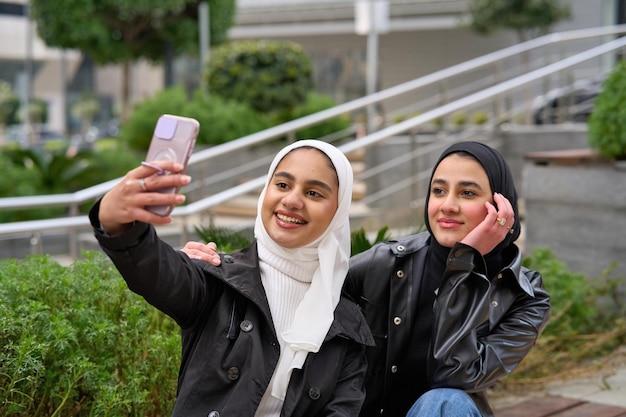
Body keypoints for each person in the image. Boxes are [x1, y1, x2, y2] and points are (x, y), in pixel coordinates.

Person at [182, 141, 551, 417]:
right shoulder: (388, 263)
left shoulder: (525, 296)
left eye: (467, 193)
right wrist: (222, 265)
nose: (447, 205)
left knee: (445, 402)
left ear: (501, 206)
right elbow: (300, 277)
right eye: (438, 191)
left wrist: (464, 266)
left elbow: (457, 374)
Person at [89, 139, 374, 417]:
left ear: (338, 212)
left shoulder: (346, 325)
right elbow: (157, 273)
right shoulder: (218, 277)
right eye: (283, 184)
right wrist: (118, 224)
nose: (292, 200)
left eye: (314, 193)